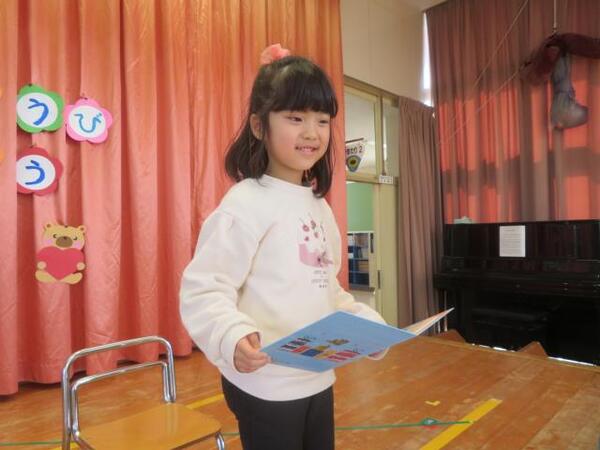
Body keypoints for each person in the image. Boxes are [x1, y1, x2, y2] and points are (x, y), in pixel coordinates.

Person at [179, 44, 387, 450]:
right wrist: (231, 336)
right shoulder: (245, 202)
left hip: (317, 377)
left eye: (322, 120)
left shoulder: (319, 207)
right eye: (295, 118)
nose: (312, 132)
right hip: (265, 382)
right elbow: (204, 288)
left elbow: (326, 288)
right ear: (259, 126)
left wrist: (368, 328)